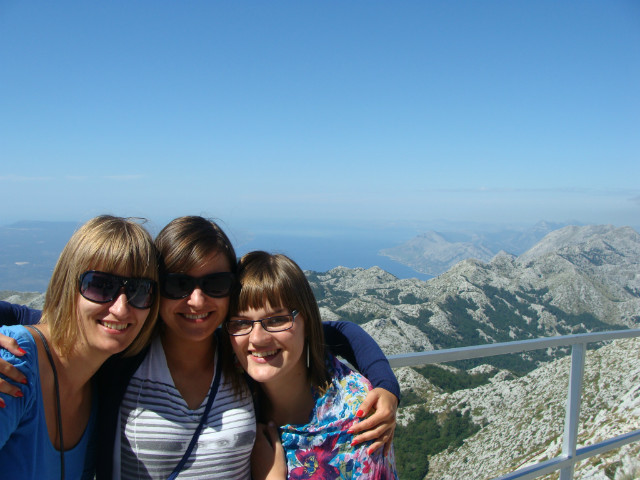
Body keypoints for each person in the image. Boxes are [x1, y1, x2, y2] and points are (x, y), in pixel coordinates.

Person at [0, 216, 399, 479]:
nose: (197, 300)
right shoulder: (125, 347)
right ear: (157, 291)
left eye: (215, 285)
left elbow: (338, 331)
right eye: (178, 284)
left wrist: (385, 385)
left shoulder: (239, 349)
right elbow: (49, 318)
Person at [0, 215, 160, 479]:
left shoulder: (96, 390)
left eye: (139, 290)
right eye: (100, 285)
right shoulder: (14, 363)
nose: (121, 308)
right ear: (67, 284)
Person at [222, 251, 399, 479]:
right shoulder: (226, 390)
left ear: (308, 323)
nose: (257, 338)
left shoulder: (358, 426)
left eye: (277, 320)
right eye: (241, 322)